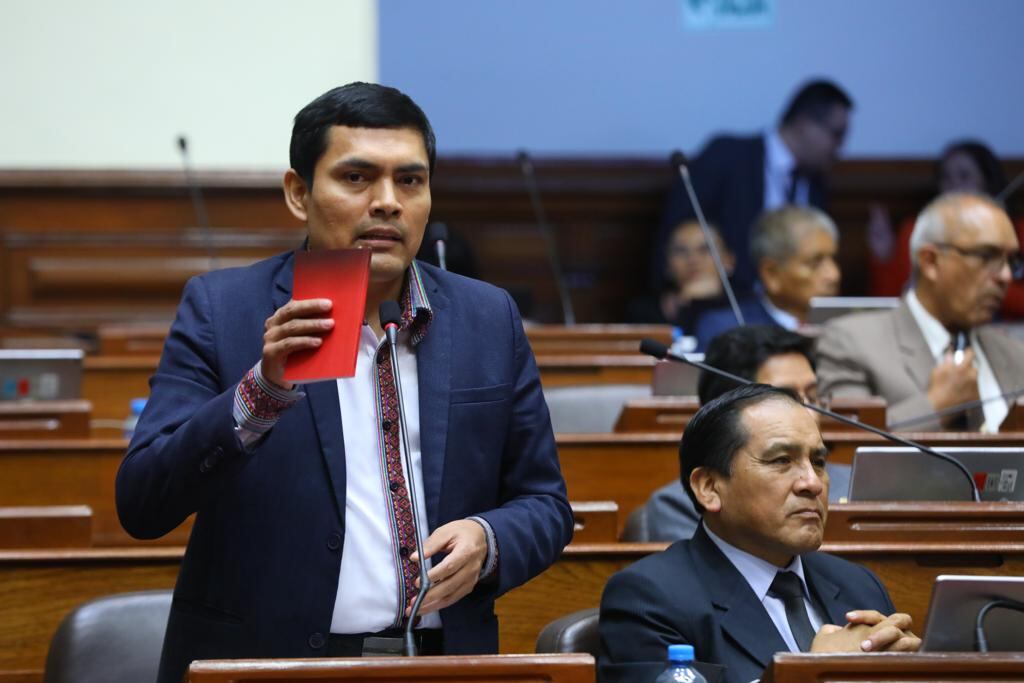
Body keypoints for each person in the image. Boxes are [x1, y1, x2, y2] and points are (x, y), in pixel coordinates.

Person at [115, 82, 574, 683]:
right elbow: (143, 502)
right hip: (268, 663)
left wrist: (491, 538)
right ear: (299, 193)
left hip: (442, 663)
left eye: (410, 181)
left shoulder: (487, 318)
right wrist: (261, 392)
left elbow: (545, 504)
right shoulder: (224, 309)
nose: (387, 202)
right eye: (357, 178)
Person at [599, 385, 920, 683]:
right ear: (709, 488)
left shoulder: (859, 586)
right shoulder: (650, 598)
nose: (813, 483)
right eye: (781, 460)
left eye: (818, 461)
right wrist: (812, 672)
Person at [818, 193, 1024, 431]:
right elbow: (844, 452)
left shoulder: (1016, 354)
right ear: (930, 261)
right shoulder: (851, 342)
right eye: (986, 256)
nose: (1006, 276)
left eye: (1012, 261)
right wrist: (934, 407)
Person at [631, 325, 850, 543]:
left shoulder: (851, 483)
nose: (810, 413)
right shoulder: (676, 506)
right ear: (726, 411)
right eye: (786, 400)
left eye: (813, 396)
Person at [653, 79, 853, 294]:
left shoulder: (815, 182)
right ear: (805, 124)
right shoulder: (727, 157)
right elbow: (675, 232)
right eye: (837, 134)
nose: (839, 148)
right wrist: (668, 293)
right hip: (727, 306)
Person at [692, 205, 840, 351]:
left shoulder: (846, 328)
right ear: (771, 274)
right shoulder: (727, 330)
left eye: (833, 259)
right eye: (814, 263)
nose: (834, 275)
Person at [626, 220, 734, 334]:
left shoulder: (743, 305)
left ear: (729, 260)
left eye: (705, 249)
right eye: (681, 251)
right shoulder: (643, 311)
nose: (693, 260)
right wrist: (684, 301)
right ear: (667, 264)